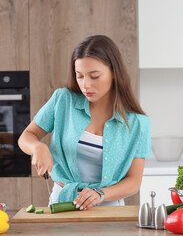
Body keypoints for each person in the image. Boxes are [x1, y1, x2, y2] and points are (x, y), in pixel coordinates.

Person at [18, 35, 151, 210]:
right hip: (63, 203)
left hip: (109, 207)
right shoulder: (63, 100)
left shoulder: (138, 123)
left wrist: (99, 193)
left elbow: (134, 181)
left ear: (114, 73)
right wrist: (38, 147)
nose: (85, 85)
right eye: (79, 76)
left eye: (94, 76)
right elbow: (26, 136)